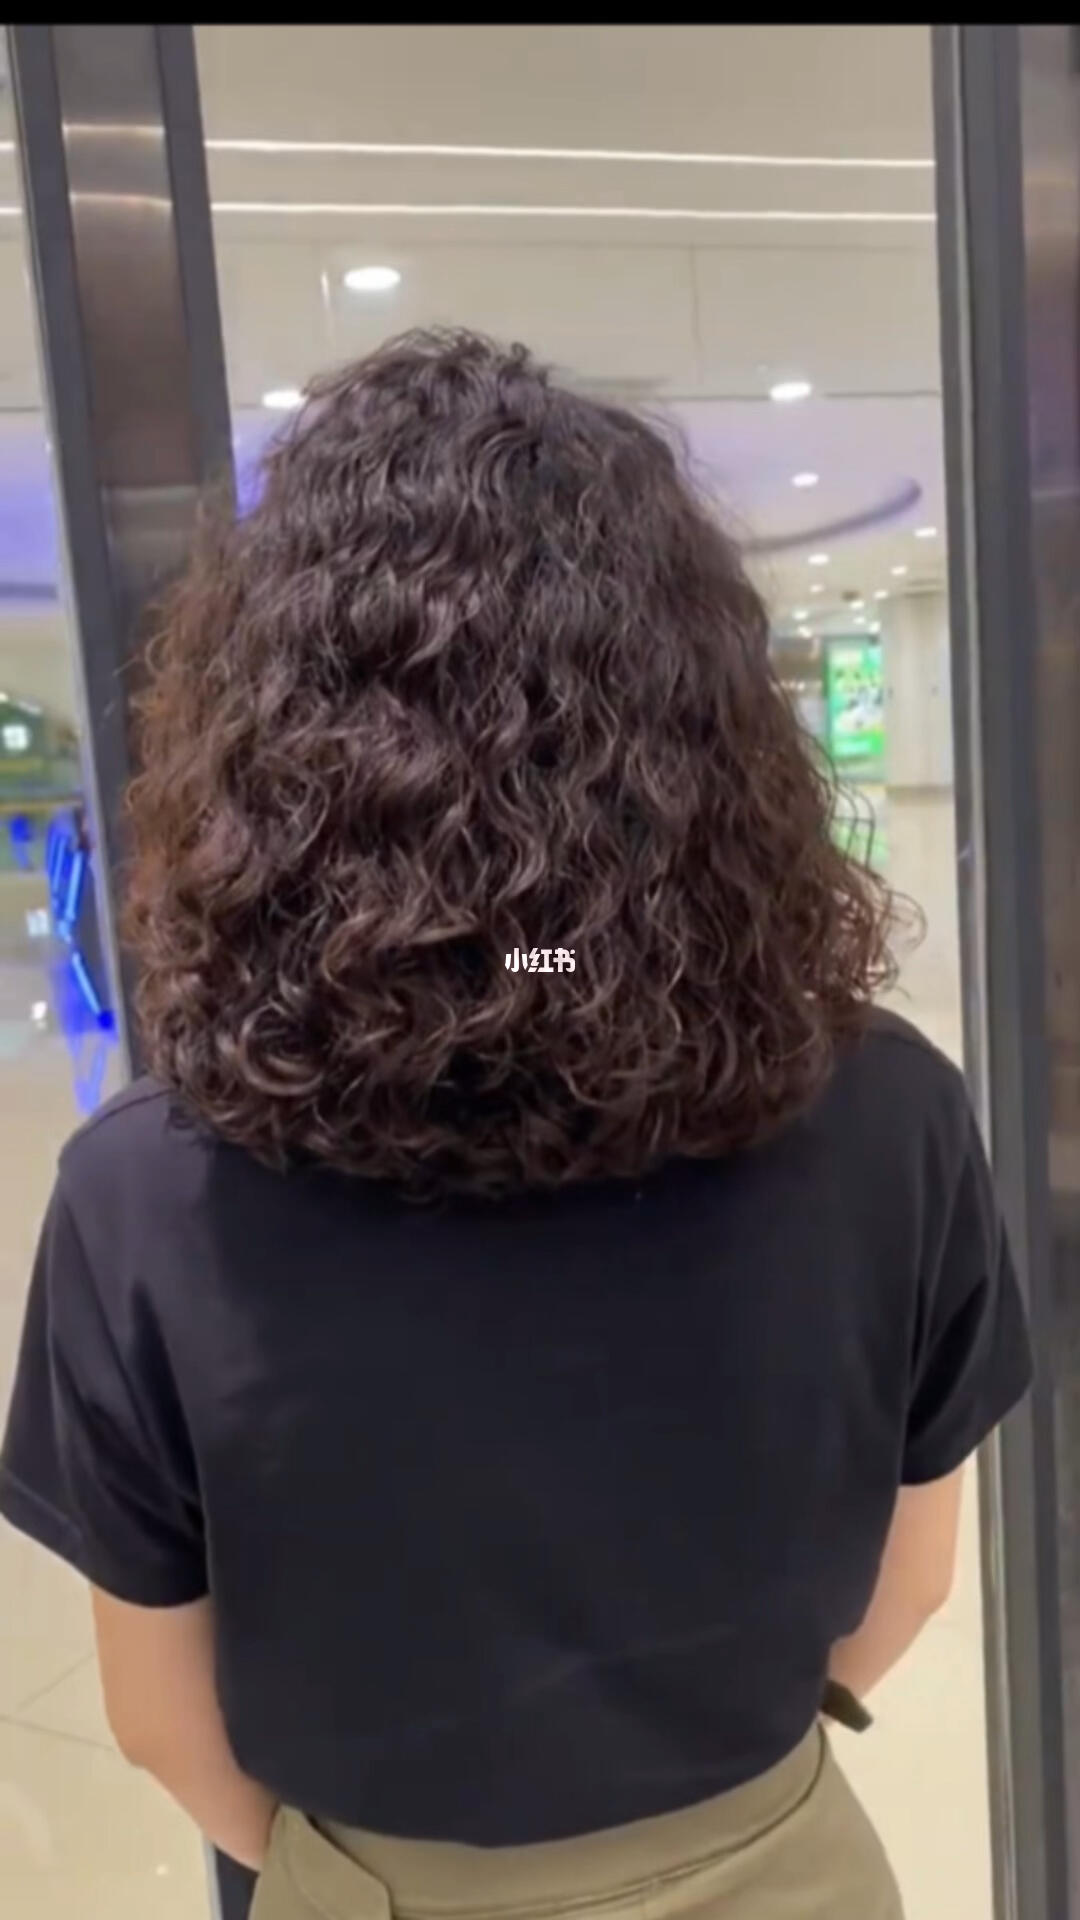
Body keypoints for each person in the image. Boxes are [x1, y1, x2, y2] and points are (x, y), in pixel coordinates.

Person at [0, 330, 1030, 1920]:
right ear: (707, 735)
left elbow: (156, 1716)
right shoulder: (889, 1109)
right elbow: (909, 1587)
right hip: (786, 1866)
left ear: (277, 757)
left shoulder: (145, 1188)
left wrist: (366, 1881)